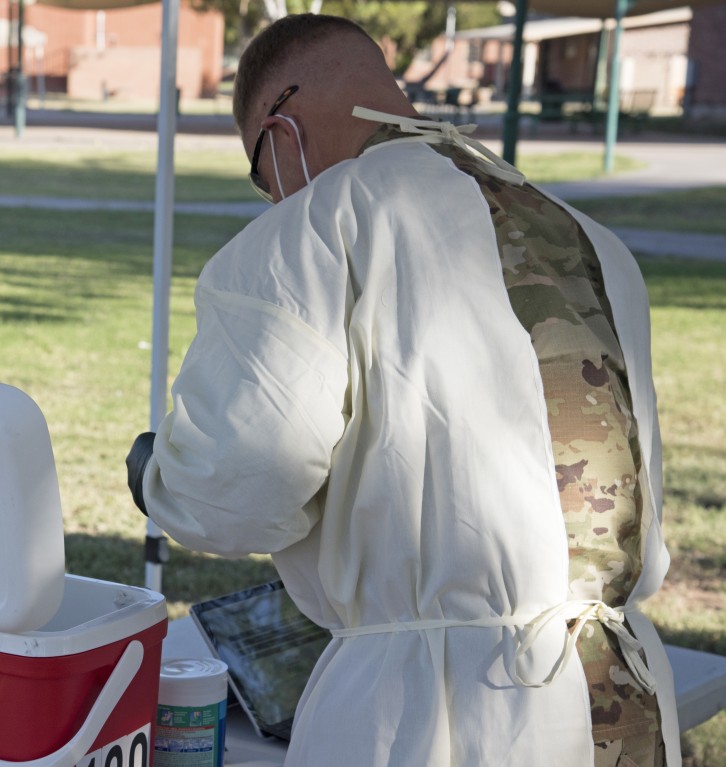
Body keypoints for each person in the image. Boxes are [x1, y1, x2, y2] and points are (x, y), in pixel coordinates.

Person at [125, 15, 679, 767]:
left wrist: (158, 475)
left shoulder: (318, 227)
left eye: (262, 176)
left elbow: (238, 487)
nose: (272, 198)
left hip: (446, 710)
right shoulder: (590, 238)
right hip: (621, 692)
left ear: (279, 131)